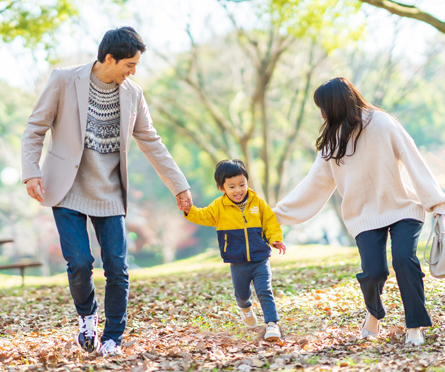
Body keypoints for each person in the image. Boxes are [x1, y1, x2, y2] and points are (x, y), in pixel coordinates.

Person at [21, 27, 192, 357]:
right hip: (67, 188)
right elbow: (35, 128)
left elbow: (151, 143)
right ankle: (87, 317)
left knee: (117, 266)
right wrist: (31, 172)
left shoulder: (133, 94)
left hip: (110, 191)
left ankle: (113, 336)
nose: (133, 71)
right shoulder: (64, 80)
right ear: (109, 58)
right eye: (130, 64)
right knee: (80, 262)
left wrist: (179, 185)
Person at [273, 77, 445, 346]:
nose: (321, 114)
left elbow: (412, 157)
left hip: (403, 205)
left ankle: (414, 326)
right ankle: (374, 313)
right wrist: (274, 215)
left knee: (404, 260)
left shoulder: (382, 123)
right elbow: (313, 185)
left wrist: (437, 201)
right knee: (373, 272)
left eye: (322, 107)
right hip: (363, 215)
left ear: (335, 104)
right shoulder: (332, 141)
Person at [178, 159, 286, 341]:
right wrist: (189, 210)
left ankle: (272, 324)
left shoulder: (257, 202)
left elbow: (270, 222)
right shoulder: (219, 207)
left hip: (260, 258)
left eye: (242, 184)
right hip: (237, 261)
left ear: (247, 182)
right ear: (222, 188)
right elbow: (203, 216)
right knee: (242, 295)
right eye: (232, 186)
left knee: (265, 291)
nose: (238, 190)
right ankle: (245, 308)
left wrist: (275, 239)